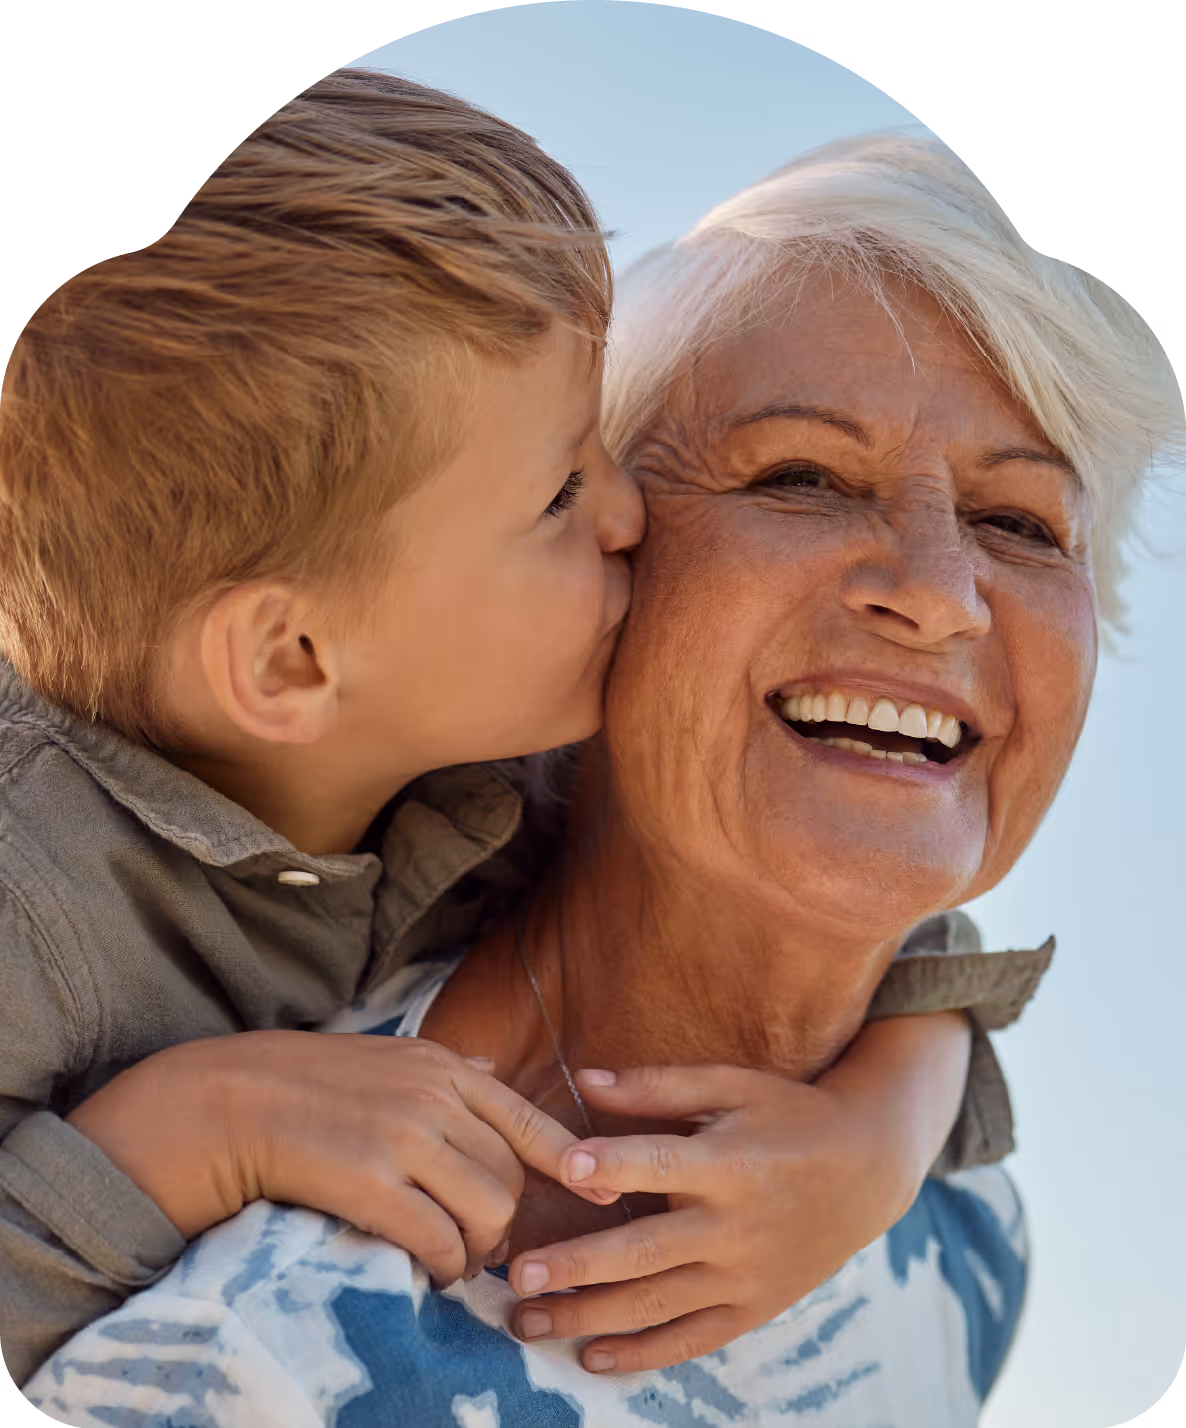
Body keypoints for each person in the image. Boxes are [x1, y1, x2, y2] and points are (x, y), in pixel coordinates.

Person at [26, 130, 1180, 1428]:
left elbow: (928, 962)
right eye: (798, 476)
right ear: (608, 580)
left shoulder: (972, 1237)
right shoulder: (247, 1329)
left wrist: (887, 1132)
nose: (933, 593)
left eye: (1018, 523)